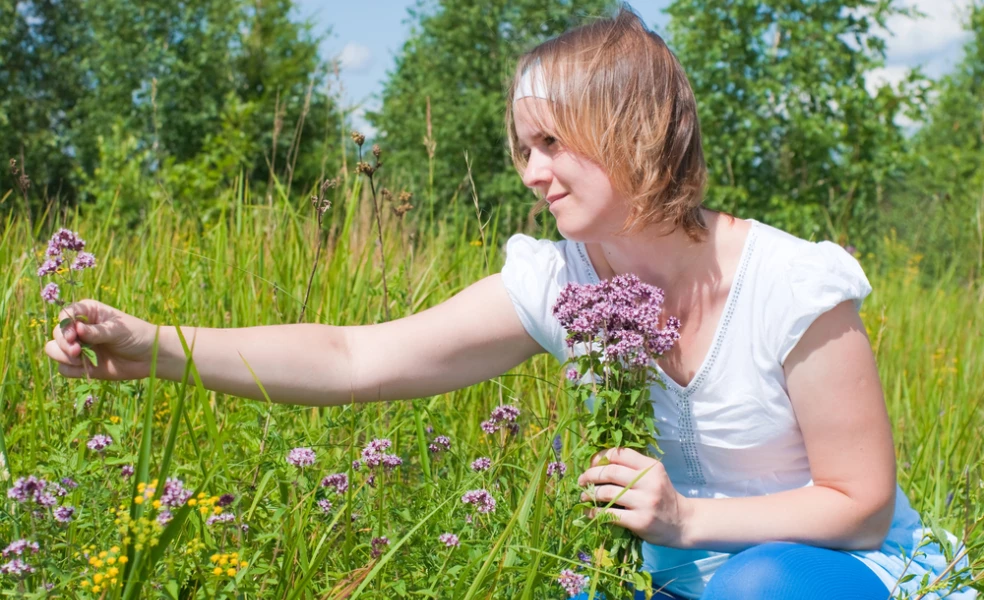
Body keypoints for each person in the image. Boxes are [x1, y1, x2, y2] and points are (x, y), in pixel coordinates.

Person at [46, 7, 974, 600]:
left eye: (552, 144)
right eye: (521, 147)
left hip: (830, 574)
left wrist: (690, 522)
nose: (530, 172)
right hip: (675, 573)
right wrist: (159, 346)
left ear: (633, 129)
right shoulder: (557, 282)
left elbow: (859, 504)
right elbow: (354, 357)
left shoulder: (792, 285)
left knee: (761, 589)